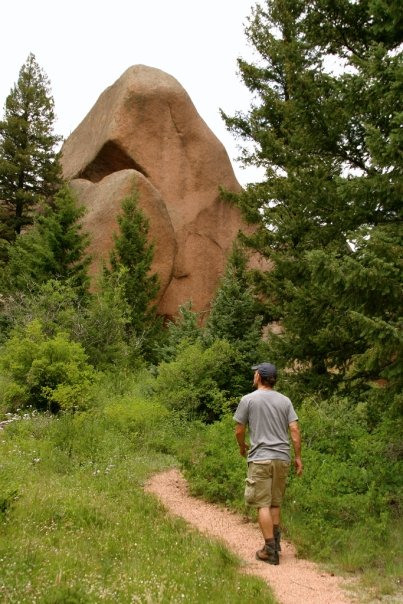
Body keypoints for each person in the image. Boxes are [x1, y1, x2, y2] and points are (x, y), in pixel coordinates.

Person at [233, 362, 303, 565]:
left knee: (261, 503)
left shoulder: (248, 400)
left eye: (255, 373)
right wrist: (298, 457)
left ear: (259, 377)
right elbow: (295, 432)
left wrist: (241, 446)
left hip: (260, 458)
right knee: (275, 502)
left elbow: (239, 430)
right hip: (282, 458)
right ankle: (276, 543)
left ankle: (269, 550)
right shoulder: (285, 401)